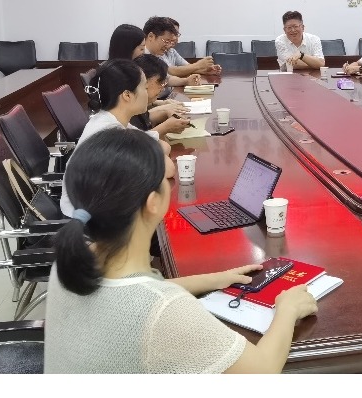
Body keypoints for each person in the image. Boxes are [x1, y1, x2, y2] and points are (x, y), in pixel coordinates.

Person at [45, 129, 318, 373]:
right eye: (165, 179)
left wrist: (217, 279)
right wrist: (287, 310)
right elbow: (262, 371)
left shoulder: (71, 263)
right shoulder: (166, 312)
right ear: (153, 202)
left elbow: (129, 296)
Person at [60, 58, 166, 217]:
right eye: (144, 88)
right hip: (89, 221)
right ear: (127, 95)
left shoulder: (111, 119)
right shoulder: (109, 131)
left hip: (101, 209)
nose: (147, 94)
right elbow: (165, 168)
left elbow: (160, 146)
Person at [130, 54, 192, 137]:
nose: (162, 89)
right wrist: (165, 127)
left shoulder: (138, 104)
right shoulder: (126, 107)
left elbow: (144, 119)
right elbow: (135, 141)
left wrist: (165, 113)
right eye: (160, 83)